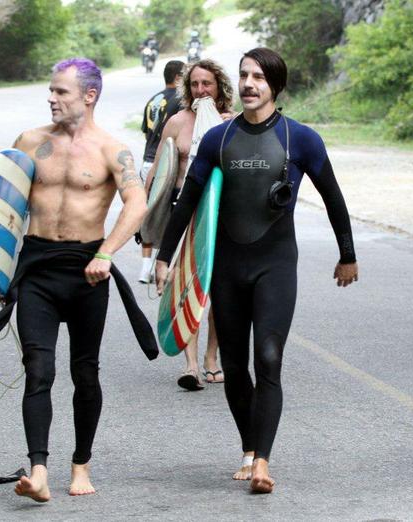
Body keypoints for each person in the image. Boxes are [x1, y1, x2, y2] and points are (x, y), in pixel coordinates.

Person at [155, 48, 358, 493]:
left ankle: (262, 461)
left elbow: (333, 197)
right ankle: (248, 447)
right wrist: (165, 259)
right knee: (232, 363)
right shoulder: (218, 140)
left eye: (259, 77)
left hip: (275, 263)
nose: (249, 83)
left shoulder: (300, 139)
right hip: (228, 265)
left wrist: (347, 254)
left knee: (268, 356)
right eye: (245, 75)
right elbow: (187, 201)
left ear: (275, 85)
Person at [0, 58, 151, 502]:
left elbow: (137, 204)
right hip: (36, 268)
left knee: (85, 373)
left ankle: (81, 464)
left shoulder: (113, 151)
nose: (52, 98)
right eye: (51, 91)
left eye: (61, 92)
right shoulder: (29, 142)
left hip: (87, 272)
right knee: (38, 369)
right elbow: (2, 207)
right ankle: (38, 471)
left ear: (88, 96)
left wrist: (106, 253)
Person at [146, 59, 235, 390]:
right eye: (195, 84)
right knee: (185, 284)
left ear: (219, 86)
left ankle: (212, 357)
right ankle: (192, 365)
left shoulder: (233, 123)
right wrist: (146, 219)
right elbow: (159, 171)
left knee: (217, 289)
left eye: (207, 84)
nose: (201, 90)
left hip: (221, 213)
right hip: (183, 211)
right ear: (187, 88)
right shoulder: (177, 122)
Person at [137, 60, 185, 283]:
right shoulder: (180, 100)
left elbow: (147, 131)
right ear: (178, 77)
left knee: (150, 211)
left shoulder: (153, 99)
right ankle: (166, 264)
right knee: (167, 215)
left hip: (147, 161)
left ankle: (145, 267)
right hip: (164, 164)